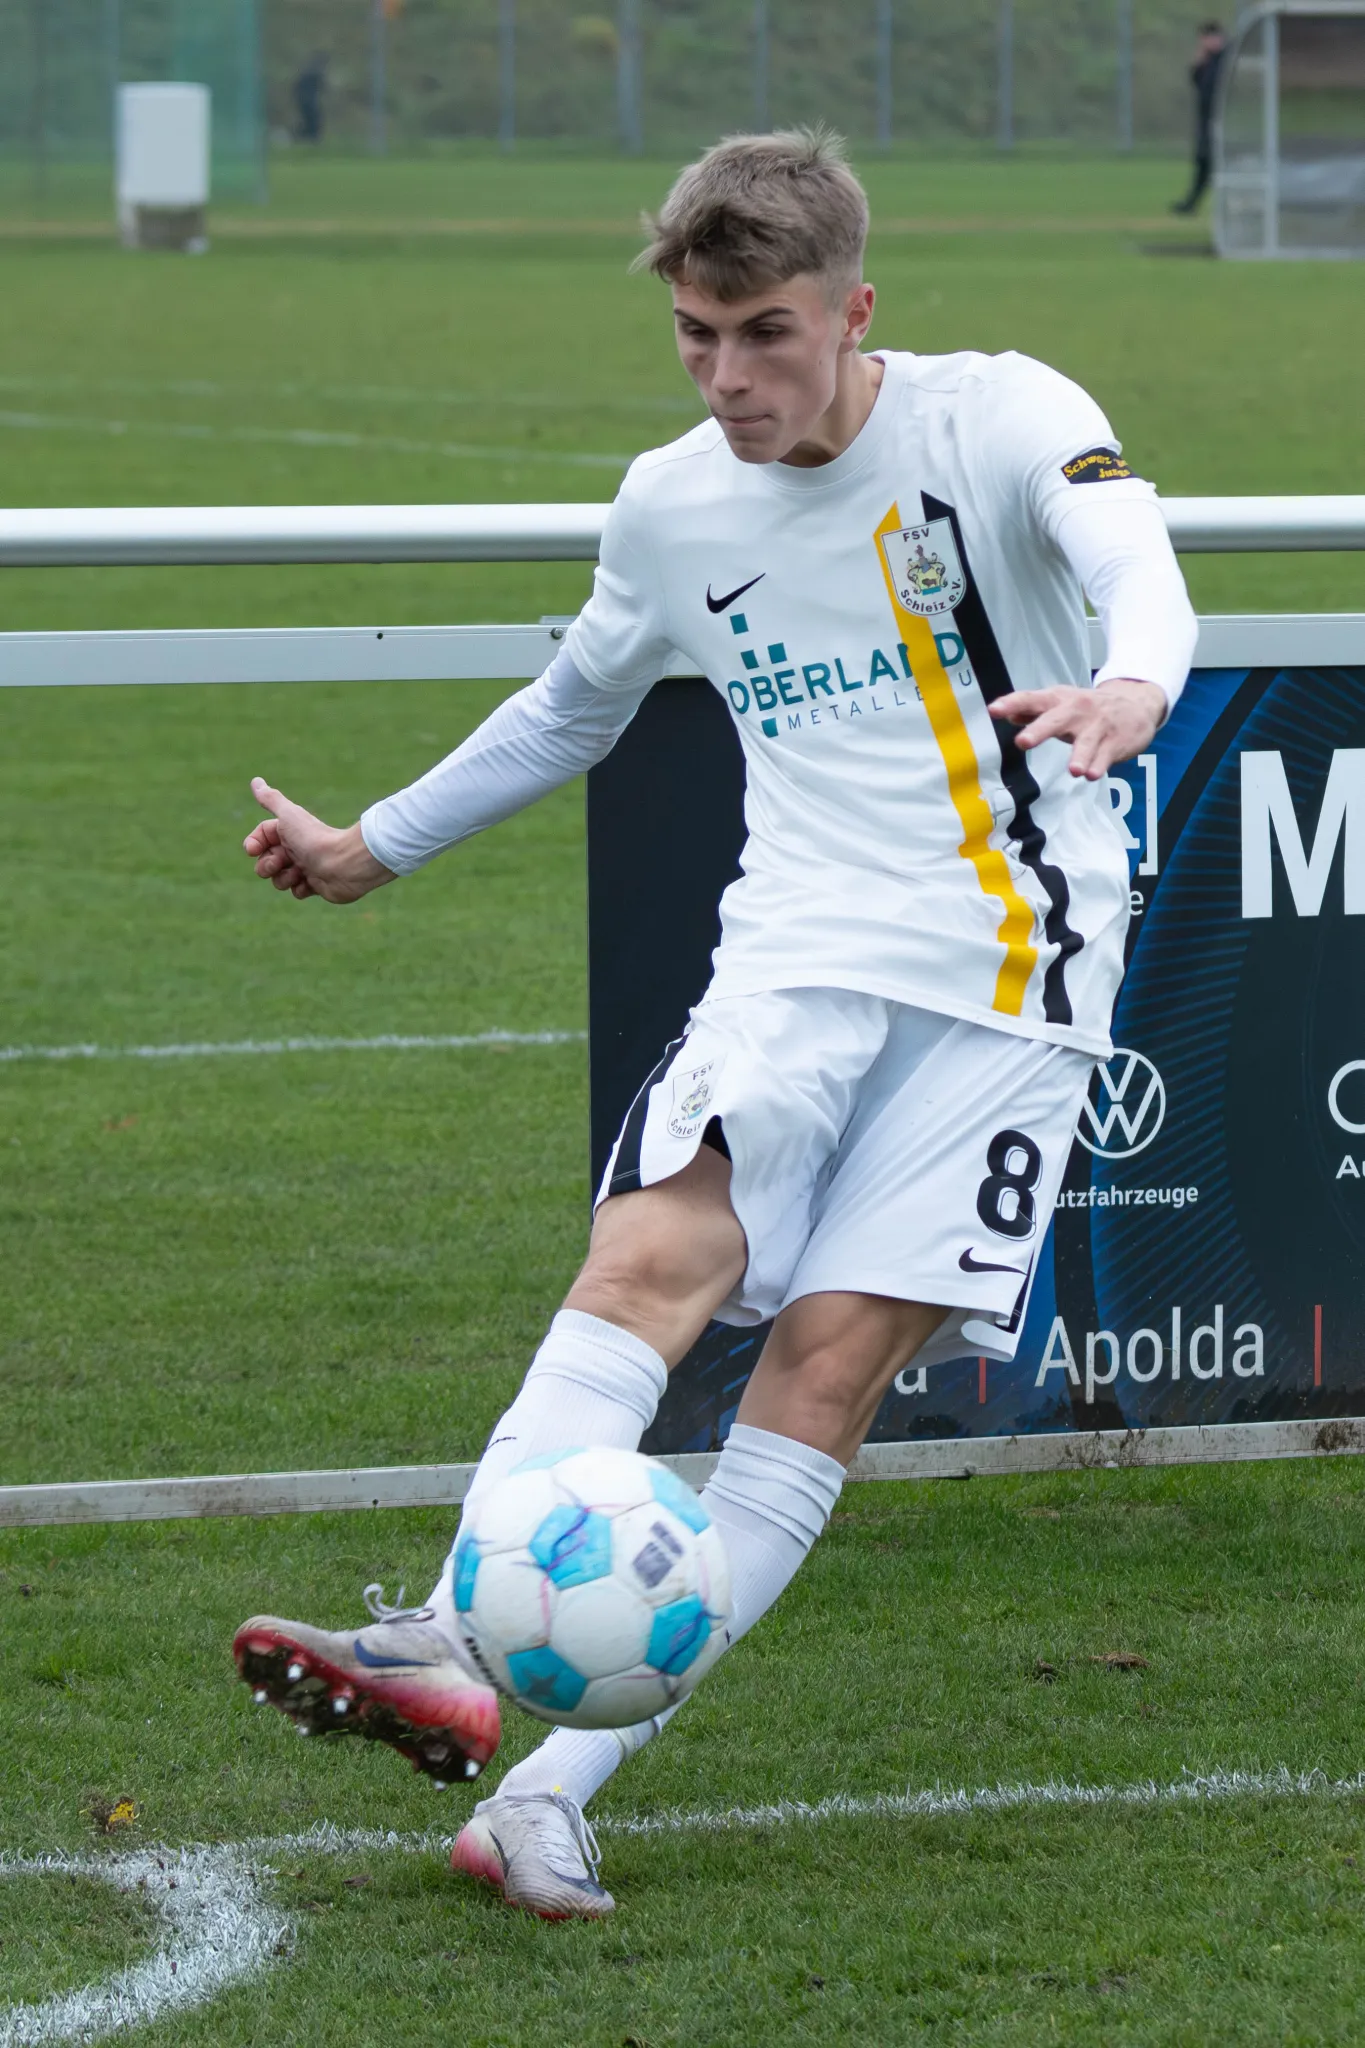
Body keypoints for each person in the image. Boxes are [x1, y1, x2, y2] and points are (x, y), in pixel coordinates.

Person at [232, 129, 1197, 1920]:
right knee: (647, 1260)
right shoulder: (672, 503)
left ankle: (544, 1793)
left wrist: (1135, 678)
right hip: (795, 955)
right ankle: (443, 1635)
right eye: (696, 335)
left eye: (765, 333)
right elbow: (572, 704)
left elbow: (1130, 548)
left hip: (1020, 975)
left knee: (822, 1375)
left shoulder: (999, 414)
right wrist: (375, 846)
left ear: (854, 309)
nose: (728, 377)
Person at [1172, 21, 1227, 215]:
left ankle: (1194, 204)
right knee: (1203, 162)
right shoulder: (1207, 62)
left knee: (1212, 163)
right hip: (1206, 121)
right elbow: (1196, 81)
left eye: (1213, 37)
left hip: (1223, 121)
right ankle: (1191, 204)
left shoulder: (1227, 59)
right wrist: (1199, 61)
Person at [293, 52, 328, 145]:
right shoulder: (315, 71)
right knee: (312, 118)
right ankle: (310, 138)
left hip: (303, 98)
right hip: (309, 99)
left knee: (308, 119)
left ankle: (306, 137)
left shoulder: (308, 70)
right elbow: (322, 85)